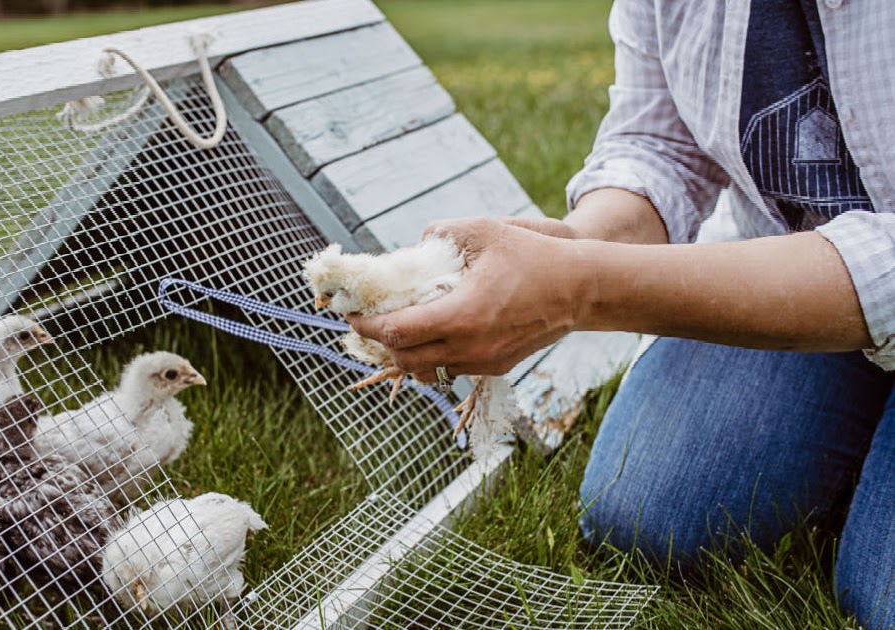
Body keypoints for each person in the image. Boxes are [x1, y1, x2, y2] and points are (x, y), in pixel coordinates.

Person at [347, 1, 895, 627]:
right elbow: (657, 144)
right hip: (785, 255)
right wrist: (574, 244)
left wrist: (580, 289)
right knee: (648, 517)